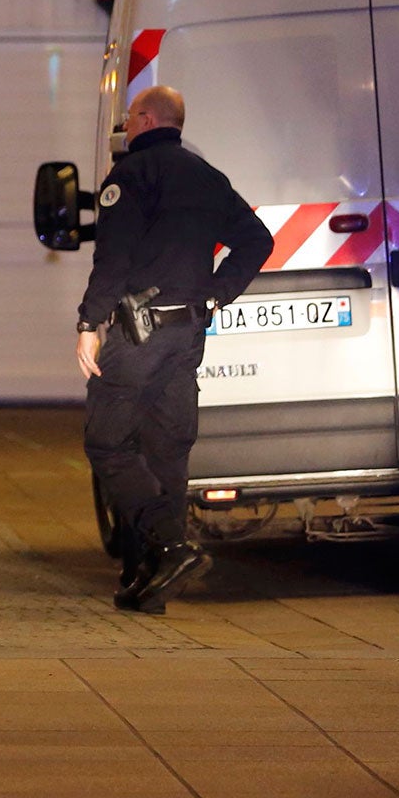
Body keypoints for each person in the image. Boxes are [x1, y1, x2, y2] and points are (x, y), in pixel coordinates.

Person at [75, 85, 272, 614]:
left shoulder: (131, 176)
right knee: (165, 450)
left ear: (144, 120)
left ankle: (171, 548)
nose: (124, 126)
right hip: (188, 334)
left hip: (138, 333)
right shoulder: (207, 177)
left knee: (109, 444)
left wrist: (89, 321)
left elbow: (112, 259)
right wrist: (216, 292)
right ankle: (148, 580)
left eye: (128, 118)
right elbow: (258, 239)